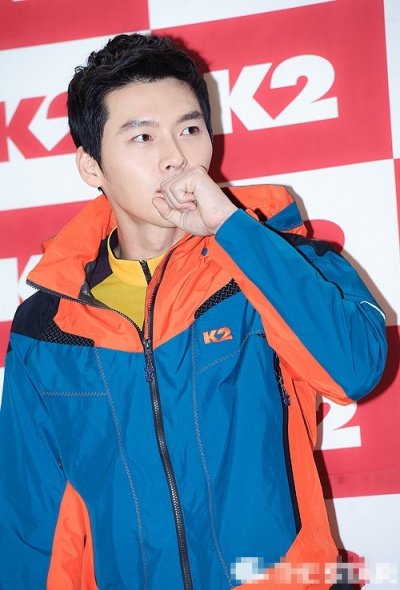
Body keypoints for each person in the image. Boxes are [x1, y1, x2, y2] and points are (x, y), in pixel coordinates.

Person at [0, 33, 387, 590]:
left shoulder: (282, 261)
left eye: (189, 129)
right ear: (91, 166)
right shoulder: (46, 326)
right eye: (142, 136)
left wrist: (233, 231)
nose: (176, 157)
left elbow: (354, 370)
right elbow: (31, 523)